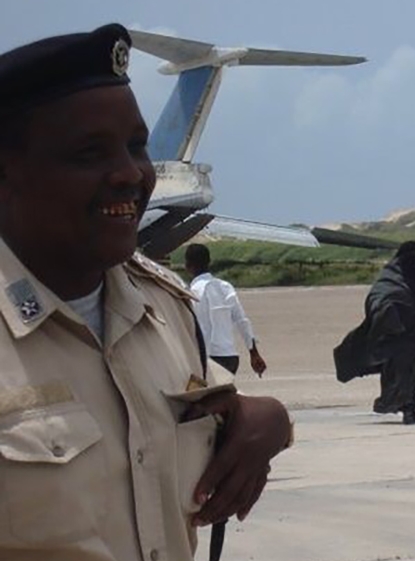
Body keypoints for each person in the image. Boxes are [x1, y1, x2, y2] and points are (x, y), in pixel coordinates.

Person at [0, 24, 293, 561]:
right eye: (89, 153)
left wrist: (268, 420)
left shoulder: (164, 310)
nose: (131, 173)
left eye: (137, 146)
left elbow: (202, 412)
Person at [334, 241, 415, 425]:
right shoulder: (390, 276)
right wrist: (390, 316)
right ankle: (405, 409)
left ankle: (411, 409)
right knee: (400, 374)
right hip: (399, 335)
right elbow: (378, 299)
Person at [185, 243, 267, 376]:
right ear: (209, 262)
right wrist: (254, 353)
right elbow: (242, 321)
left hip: (208, 358)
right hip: (230, 357)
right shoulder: (226, 287)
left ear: (188, 266)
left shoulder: (192, 292)